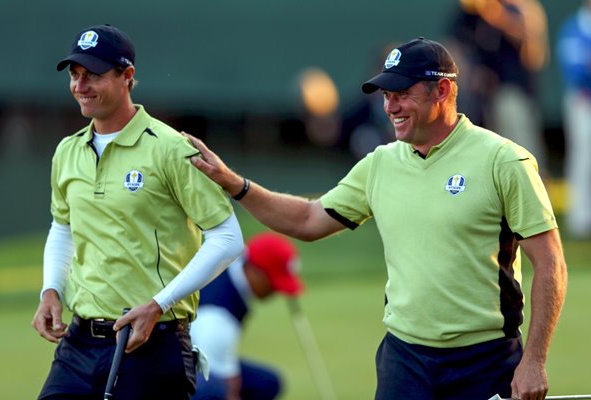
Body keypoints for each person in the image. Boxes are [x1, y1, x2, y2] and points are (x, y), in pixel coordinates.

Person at [184, 37, 567, 400]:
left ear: (443, 91)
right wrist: (233, 182)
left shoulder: (504, 160)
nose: (391, 107)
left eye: (403, 95)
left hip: (484, 360)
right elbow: (308, 219)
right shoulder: (381, 163)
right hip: (404, 359)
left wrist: (534, 360)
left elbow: (550, 262)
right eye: (387, 96)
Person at [30, 24, 244, 400]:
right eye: (75, 75)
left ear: (127, 77)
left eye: (93, 75)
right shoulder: (67, 150)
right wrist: (51, 289)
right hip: (79, 344)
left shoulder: (171, 148)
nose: (81, 86)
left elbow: (227, 238)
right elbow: (62, 226)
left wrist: (158, 305)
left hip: (151, 344)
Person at [191, 232, 303, 400]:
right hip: (177, 367)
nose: (276, 291)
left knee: (267, 383)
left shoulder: (228, 267)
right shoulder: (218, 318)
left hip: (200, 358)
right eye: (273, 283)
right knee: (213, 390)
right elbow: (229, 387)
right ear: (255, 270)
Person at [446, 0, 550, 176]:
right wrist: (470, 74)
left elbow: (535, 55)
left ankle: (533, 184)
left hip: (512, 90)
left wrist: (497, 15)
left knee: (518, 138)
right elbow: (451, 49)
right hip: (477, 96)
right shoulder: (468, 12)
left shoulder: (519, 7)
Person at [556, 0, 591, 240]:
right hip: (583, 101)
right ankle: (580, 218)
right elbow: (576, 71)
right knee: (583, 157)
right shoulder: (574, 29)